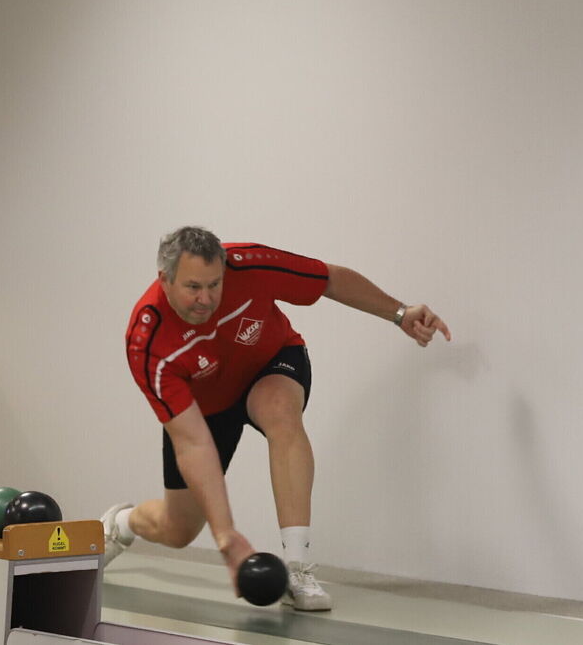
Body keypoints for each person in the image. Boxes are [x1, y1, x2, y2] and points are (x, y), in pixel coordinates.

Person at [104, 226, 450, 611]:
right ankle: (121, 524)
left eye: (215, 285)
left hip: (270, 363)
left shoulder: (249, 264)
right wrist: (225, 536)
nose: (206, 299)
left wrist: (400, 313)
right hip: (203, 410)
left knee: (281, 413)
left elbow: (329, 280)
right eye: (193, 288)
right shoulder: (148, 341)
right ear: (164, 280)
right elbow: (192, 442)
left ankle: (298, 567)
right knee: (179, 528)